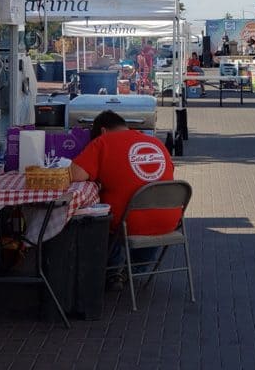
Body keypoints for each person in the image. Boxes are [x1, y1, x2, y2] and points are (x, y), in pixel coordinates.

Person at [70, 111, 181, 290]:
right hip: (169, 220)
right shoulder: (155, 142)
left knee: (97, 213)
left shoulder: (103, 142)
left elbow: (75, 175)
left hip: (129, 222)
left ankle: (113, 271)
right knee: (149, 215)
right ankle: (136, 269)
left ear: (103, 131)